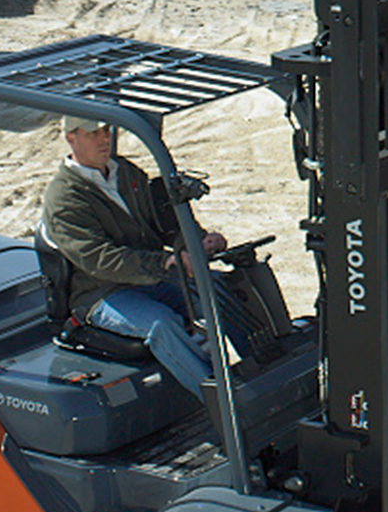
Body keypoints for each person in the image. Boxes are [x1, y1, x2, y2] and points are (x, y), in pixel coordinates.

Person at [38, 115, 244, 398]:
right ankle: (224, 401)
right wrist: (163, 263)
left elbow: (161, 221)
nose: (104, 138)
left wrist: (194, 242)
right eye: (92, 133)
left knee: (223, 289)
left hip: (150, 278)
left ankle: (263, 372)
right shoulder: (64, 198)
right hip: (103, 293)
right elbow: (101, 260)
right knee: (161, 322)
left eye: (106, 130)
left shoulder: (125, 172)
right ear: (70, 138)